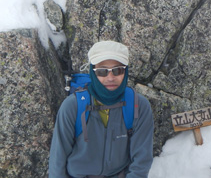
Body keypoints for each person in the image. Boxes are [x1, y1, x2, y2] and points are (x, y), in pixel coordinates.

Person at [49, 40, 154, 178]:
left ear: (126, 71)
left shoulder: (138, 106)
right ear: (93, 72)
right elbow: (58, 160)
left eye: (118, 70)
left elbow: (141, 162)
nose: (110, 78)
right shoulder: (73, 106)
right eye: (102, 71)